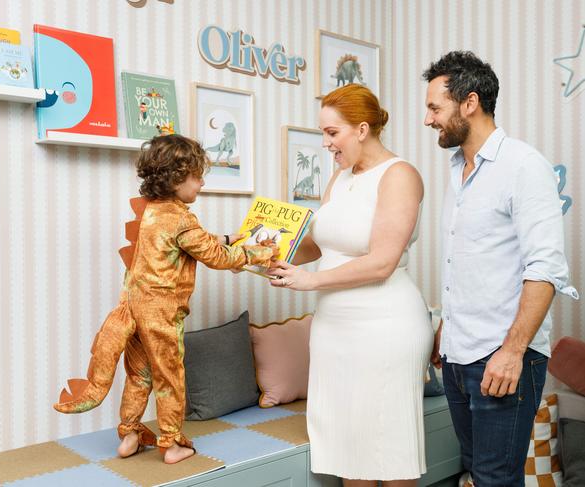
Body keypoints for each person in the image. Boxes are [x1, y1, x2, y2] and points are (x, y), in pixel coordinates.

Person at [53, 134, 278, 464]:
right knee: (169, 379)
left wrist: (230, 238)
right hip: (160, 314)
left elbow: (191, 243)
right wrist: (262, 251)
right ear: (177, 178)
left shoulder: (152, 213)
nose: (201, 183)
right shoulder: (183, 218)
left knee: (140, 376)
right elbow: (216, 257)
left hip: (131, 308)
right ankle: (171, 443)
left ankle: (129, 434)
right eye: (197, 176)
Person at [422, 51, 578, 486]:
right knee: (474, 472)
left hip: (503, 356)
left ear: (469, 103)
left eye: (435, 107)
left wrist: (511, 352)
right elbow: (467, 260)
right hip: (458, 354)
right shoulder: (458, 170)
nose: (428, 119)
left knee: (494, 478)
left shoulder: (524, 167)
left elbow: (545, 269)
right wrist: (445, 331)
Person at [269, 83, 433, 486]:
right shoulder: (339, 178)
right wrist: (258, 252)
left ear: (361, 129)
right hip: (334, 329)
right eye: (323, 133)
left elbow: (381, 262)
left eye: (332, 133)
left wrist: (311, 281)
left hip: (385, 327)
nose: (326, 143)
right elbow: (315, 244)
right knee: (349, 449)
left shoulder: (400, 175)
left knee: (390, 448)